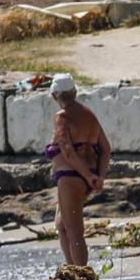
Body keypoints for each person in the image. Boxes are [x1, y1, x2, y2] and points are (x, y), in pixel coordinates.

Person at [46, 74, 110, 267]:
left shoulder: (61, 117)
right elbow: (106, 148)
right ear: (74, 92)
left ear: (55, 95)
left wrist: (89, 176)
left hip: (72, 177)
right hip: (85, 176)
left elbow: (67, 150)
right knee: (61, 224)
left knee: (75, 232)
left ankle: (82, 276)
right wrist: (99, 175)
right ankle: (71, 269)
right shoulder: (89, 114)